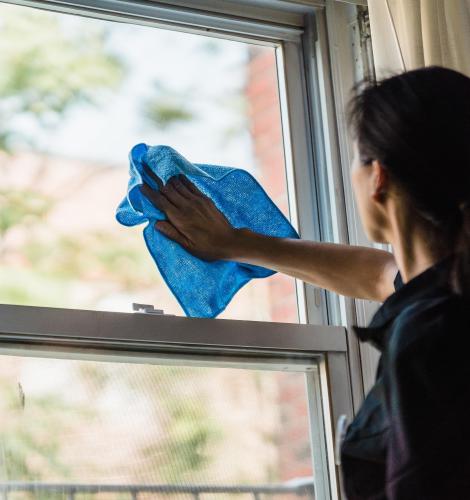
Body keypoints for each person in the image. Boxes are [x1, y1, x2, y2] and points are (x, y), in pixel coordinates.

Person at [141, 66, 470, 499]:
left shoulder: (431, 335)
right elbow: (378, 274)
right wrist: (235, 243)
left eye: (354, 157)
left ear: (378, 178)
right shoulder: (447, 293)